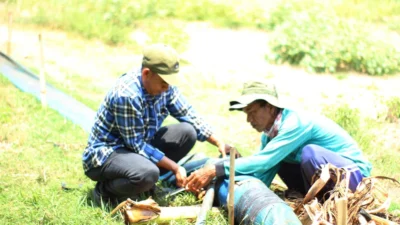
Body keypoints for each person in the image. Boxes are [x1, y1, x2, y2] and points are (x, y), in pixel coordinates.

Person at [82, 43, 229, 205]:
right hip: (108, 154)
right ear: (147, 73)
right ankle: (105, 192)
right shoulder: (127, 95)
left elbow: (188, 113)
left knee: (188, 132)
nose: (167, 89)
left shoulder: (164, 87)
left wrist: (219, 142)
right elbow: (136, 145)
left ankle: (146, 183)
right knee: (148, 173)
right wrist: (174, 167)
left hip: (137, 148)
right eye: (163, 84)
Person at [186, 80, 372, 197]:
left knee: (310, 153)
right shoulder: (271, 136)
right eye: (246, 113)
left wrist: (216, 169)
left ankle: (330, 201)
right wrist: (230, 176)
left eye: (252, 112)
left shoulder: (295, 123)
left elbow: (263, 161)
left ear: (270, 107)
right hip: (325, 178)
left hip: (354, 177)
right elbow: (262, 173)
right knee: (280, 159)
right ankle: (313, 198)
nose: (249, 119)